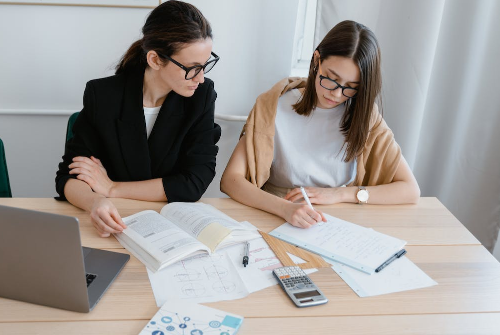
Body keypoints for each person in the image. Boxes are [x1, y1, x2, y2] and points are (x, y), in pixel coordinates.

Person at [220, 20, 420, 229]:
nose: (336, 93)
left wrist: (340, 194)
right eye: (331, 79)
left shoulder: (365, 117)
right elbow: (231, 180)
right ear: (317, 60)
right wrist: (284, 209)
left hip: (338, 219)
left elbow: (410, 190)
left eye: (351, 87)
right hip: (275, 215)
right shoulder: (273, 106)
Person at [56, 0, 221, 237]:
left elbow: (195, 182)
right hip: (115, 222)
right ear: (155, 60)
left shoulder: (201, 96)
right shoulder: (103, 96)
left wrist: (112, 188)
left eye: (205, 65)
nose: (201, 78)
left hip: (171, 227)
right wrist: (94, 202)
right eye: (193, 68)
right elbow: (69, 176)